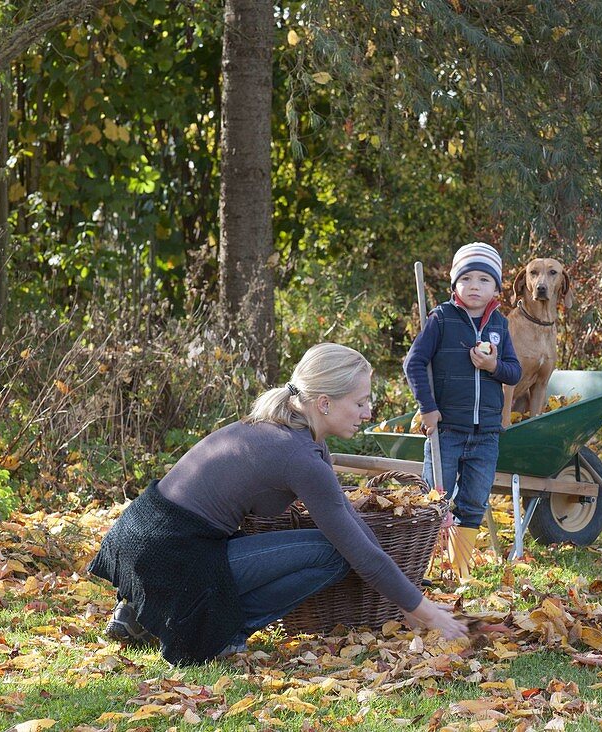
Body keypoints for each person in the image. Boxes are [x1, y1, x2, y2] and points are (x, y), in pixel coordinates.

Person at [88, 343, 468, 665]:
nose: (369, 413)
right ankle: (222, 631)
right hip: (172, 554)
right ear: (323, 403)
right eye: (361, 402)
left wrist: (403, 589)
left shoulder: (291, 432)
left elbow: (350, 519)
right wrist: (426, 611)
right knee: (333, 553)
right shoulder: (297, 455)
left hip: (140, 535)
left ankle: (139, 612)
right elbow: (355, 550)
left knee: (339, 545)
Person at [403, 242, 522, 578]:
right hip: (448, 430)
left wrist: (493, 365)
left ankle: (459, 570)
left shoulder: (499, 324)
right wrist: (427, 409)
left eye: (484, 280)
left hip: (486, 433)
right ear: (454, 285)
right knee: (434, 500)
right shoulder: (441, 319)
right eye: (466, 278)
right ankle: (420, 567)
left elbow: (514, 372)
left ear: (496, 288)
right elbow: (414, 363)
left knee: (472, 503)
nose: (474, 286)